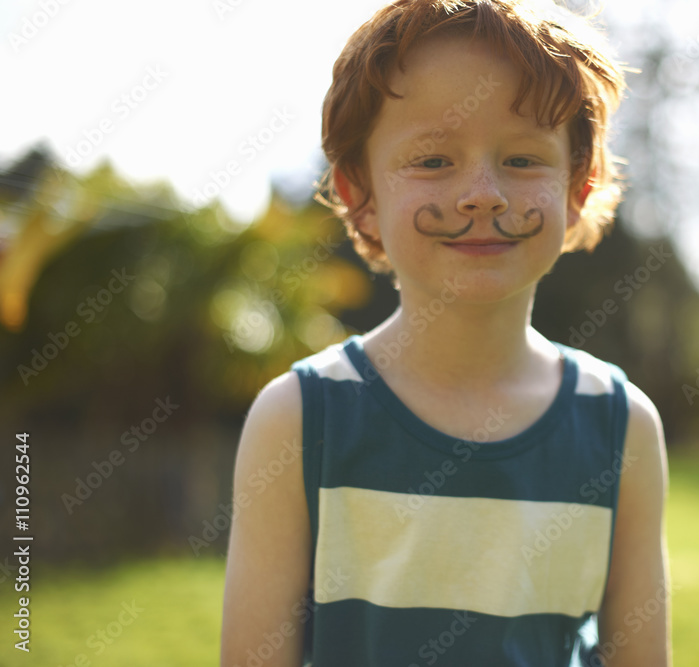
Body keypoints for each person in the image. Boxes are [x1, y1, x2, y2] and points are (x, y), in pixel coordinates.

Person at [220, 1, 670, 665]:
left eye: (522, 159)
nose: (482, 193)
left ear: (579, 186)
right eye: (432, 160)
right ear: (360, 196)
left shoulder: (620, 426)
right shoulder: (298, 420)